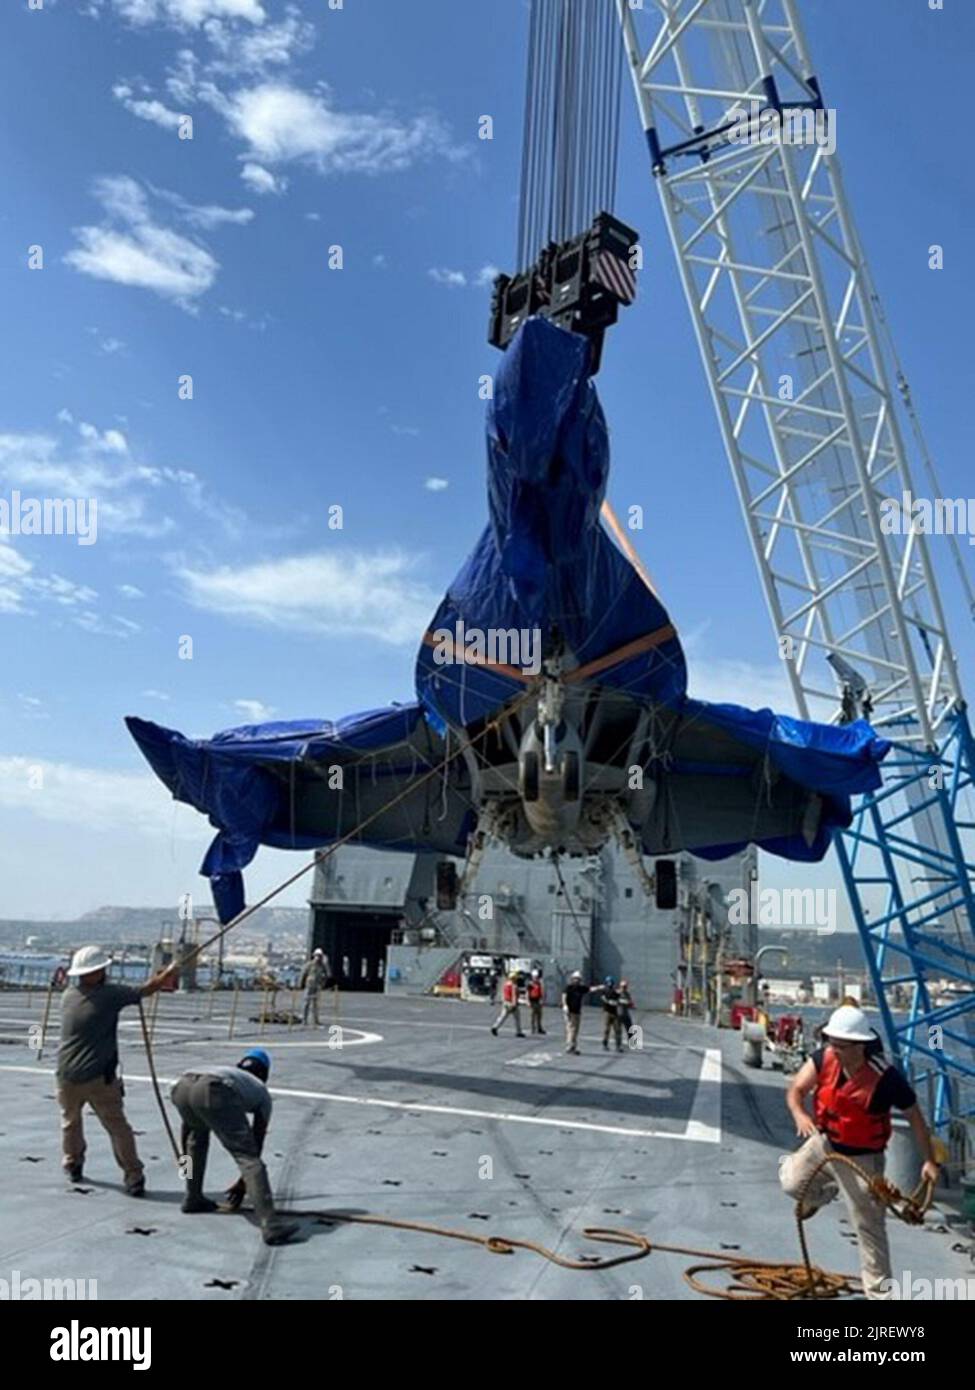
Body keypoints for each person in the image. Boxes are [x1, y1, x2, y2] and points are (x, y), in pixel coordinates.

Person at [779, 1004, 940, 1300]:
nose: (834, 1050)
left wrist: (929, 1160)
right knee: (790, 1181)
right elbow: (796, 1090)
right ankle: (823, 1195)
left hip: (862, 1160)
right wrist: (800, 1115)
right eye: (832, 1043)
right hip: (825, 1144)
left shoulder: (886, 1078)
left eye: (841, 1045)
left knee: (869, 1231)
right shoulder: (823, 1059)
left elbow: (916, 1117)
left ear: (860, 1046)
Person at [56, 945, 179, 1193]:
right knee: (118, 1127)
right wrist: (170, 972)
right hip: (97, 1077)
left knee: (70, 1123)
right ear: (99, 970)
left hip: (65, 1074)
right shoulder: (107, 995)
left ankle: (73, 1164)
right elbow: (146, 990)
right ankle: (134, 1176)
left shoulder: (68, 994)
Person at [170, 1048, 299, 1246]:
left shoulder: (229, 1073)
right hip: (213, 1089)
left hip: (183, 1086)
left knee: (195, 1142)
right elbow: (254, 1147)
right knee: (248, 1158)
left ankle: (192, 1197)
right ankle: (270, 1225)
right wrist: (243, 1183)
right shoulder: (260, 1091)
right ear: (265, 1074)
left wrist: (183, 1162)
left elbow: (186, 1136)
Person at [561, 972, 606, 1054]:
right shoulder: (569, 987)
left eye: (578, 979)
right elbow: (564, 996)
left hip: (577, 1011)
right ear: (572, 979)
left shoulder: (581, 988)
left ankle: (571, 1046)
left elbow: (590, 989)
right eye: (575, 978)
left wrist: (599, 987)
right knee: (572, 1029)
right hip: (570, 1011)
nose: (576, 980)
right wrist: (565, 1005)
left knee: (574, 1029)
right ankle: (571, 1046)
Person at [299, 947, 329, 1026]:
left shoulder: (322, 966)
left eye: (319, 956)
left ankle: (315, 1020)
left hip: (317, 986)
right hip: (309, 985)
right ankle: (304, 1020)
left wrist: (323, 983)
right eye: (317, 955)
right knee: (306, 1003)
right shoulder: (309, 965)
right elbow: (303, 974)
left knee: (315, 1004)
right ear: (314, 955)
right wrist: (300, 984)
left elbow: (326, 975)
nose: (318, 957)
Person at [491, 972, 526, 1037]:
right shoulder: (514, 986)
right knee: (517, 1018)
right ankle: (518, 1032)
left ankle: (495, 1027)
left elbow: (504, 994)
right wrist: (514, 1004)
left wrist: (504, 1001)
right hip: (512, 1003)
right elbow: (514, 996)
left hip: (506, 1002)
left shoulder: (506, 985)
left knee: (502, 1016)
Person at [601, 977, 624, 1052]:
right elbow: (603, 998)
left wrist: (617, 1002)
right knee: (606, 1029)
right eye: (608, 982)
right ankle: (605, 1044)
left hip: (615, 1012)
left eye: (611, 982)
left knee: (617, 1029)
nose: (609, 984)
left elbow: (619, 996)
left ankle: (618, 1045)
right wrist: (608, 1001)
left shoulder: (615, 991)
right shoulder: (605, 990)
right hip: (607, 1012)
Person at [527, 969, 546, 1035]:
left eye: (537, 977)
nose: (536, 978)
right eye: (535, 977)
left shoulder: (540, 983)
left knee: (539, 1016)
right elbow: (527, 993)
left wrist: (542, 1000)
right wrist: (528, 1001)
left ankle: (539, 1028)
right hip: (532, 1001)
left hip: (538, 1000)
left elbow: (542, 992)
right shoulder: (530, 984)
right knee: (532, 1015)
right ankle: (532, 1028)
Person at [618, 979, 635, 1046]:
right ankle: (618, 1042)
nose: (624, 988)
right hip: (619, 1013)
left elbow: (630, 1004)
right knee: (618, 1029)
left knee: (630, 1028)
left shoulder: (627, 994)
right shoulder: (618, 993)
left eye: (625, 987)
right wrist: (625, 1002)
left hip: (625, 1013)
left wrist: (631, 1004)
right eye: (623, 986)